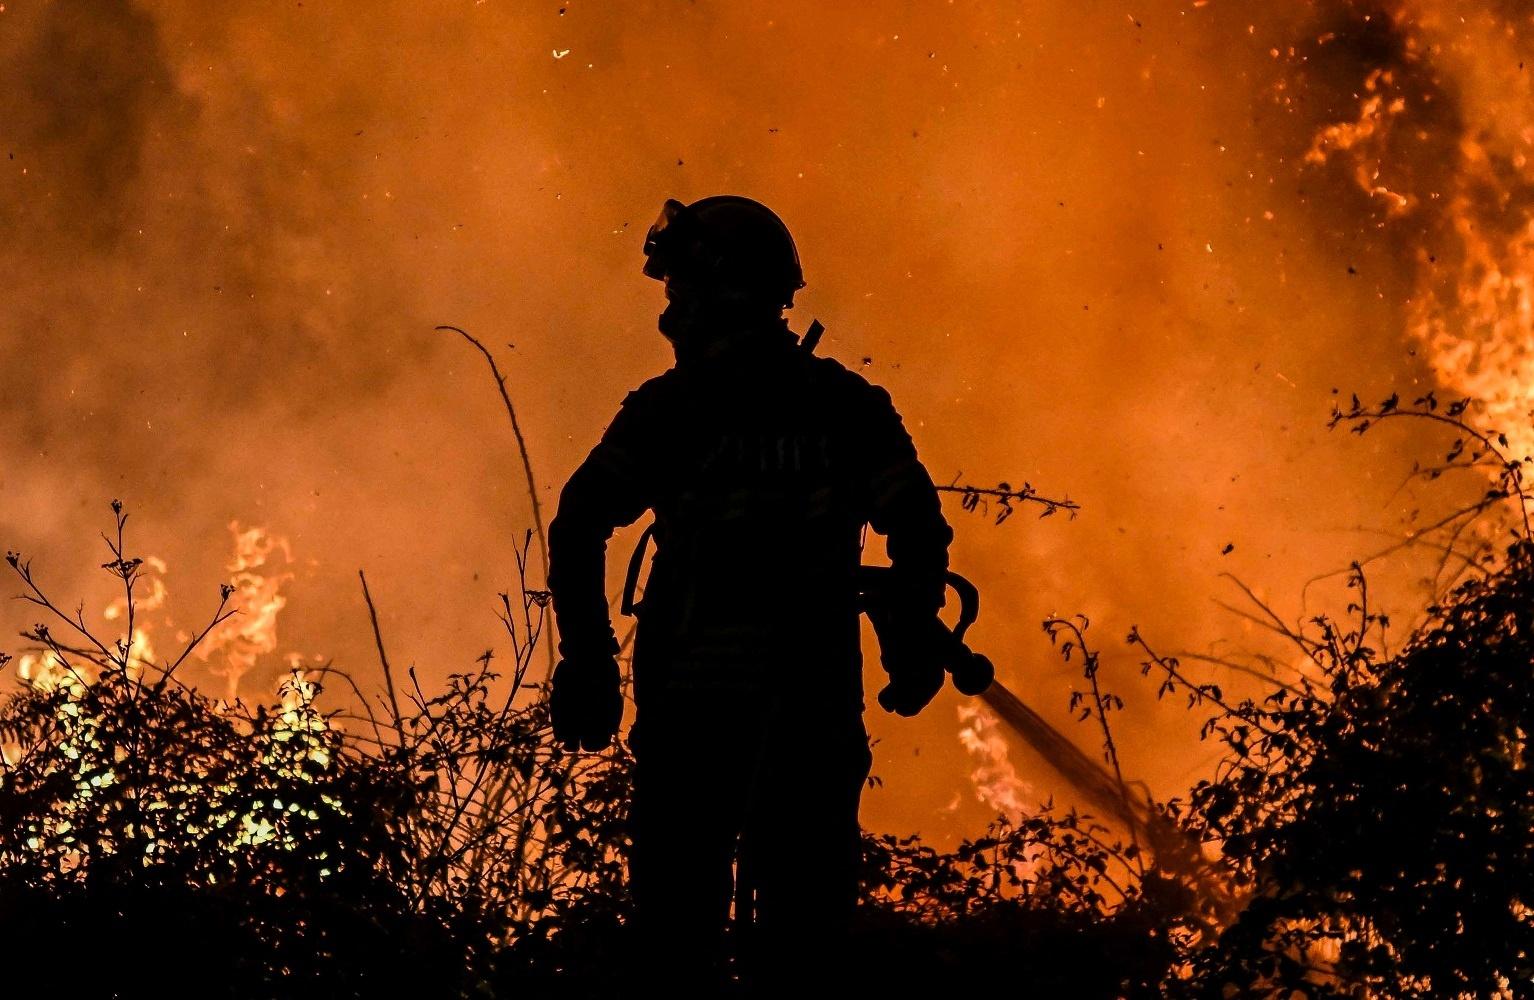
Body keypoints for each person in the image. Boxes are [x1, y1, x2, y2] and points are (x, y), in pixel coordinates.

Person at [546, 195, 953, 994]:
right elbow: (916, 524)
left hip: (694, 720)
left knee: (675, 948)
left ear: (719, 289)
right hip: (812, 715)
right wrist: (910, 632)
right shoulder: (846, 406)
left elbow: (578, 523)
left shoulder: (671, 411)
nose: (670, 310)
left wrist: (589, 662)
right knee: (806, 948)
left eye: (679, 288)